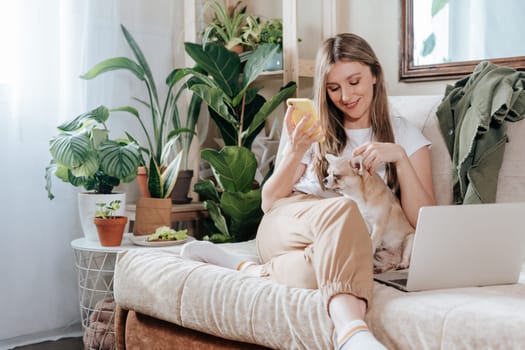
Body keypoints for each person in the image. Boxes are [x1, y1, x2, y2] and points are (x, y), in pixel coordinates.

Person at [181, 33, 436, 350]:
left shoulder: (404, 135)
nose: (345, 96)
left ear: (374, 75)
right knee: (345, 209)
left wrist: (398, 156)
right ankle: (350, 330)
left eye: (354, 81)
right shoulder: (311, 128)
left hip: (343, 239)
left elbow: (424, 222)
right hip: (290, 220)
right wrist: (296, 149)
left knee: (337, 251)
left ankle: (248, 269)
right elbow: (270, 202)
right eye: (333, 88)